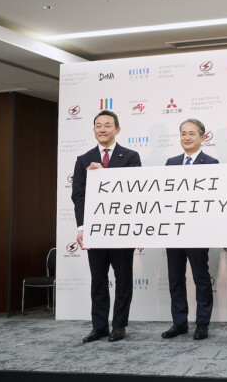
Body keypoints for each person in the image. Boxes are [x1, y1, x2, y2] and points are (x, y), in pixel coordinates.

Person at [72, 110, 141, 343]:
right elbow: (78, 196)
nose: (102, 129)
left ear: (117, 129)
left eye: (108, 125)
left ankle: (119, 325)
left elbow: (134, 191)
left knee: (123, 279)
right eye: (98, 125)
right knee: (98, 280)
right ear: (94, 130)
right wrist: (81, 227)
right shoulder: (83, 159)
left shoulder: (131, 157)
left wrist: (105, 175)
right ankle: (99, 326)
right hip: (95, 231)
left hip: (122, 230)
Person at [160, 118, 217, 341]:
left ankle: (202, 323)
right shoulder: (171, 162)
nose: (187, 137)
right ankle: (179, 322)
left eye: (192, 133)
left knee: (201, 278)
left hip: (198, 231)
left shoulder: (211, 163)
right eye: (183, 133)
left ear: (202, 137)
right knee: (175, 278)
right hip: (173, 231)